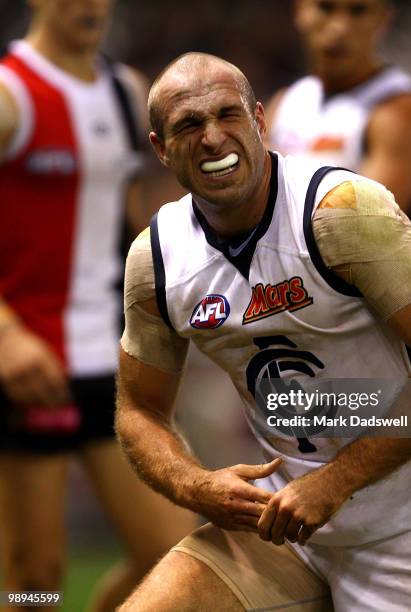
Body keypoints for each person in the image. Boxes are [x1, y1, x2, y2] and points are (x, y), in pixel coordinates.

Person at [115, 52, 411, 611]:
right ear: (159, 148)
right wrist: (193, 485)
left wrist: (332, 483)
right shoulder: (157, 259)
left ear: (259, 121)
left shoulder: (341, 212)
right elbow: (139, 409)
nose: (213, 138)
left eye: (227, 115)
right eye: (189, 125)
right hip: (282, 529)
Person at [0, 1, 195, 610]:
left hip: (114, 364)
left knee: (180, 556)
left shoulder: (125, 89)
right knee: (35, 580)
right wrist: (4, 334)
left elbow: (133, 221)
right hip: (30, 372)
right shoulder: (10, 93)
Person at [267, 0, 411, 245]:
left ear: (383, 19)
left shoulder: (403, 114)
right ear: (300, 11)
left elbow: (358, 231)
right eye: (326, 8)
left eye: (358, 11)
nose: (340, 28)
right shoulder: (284, 103)